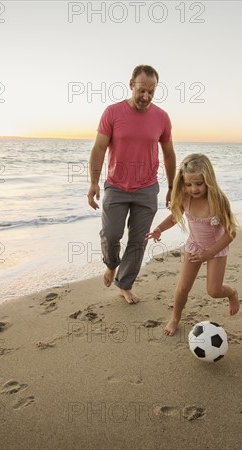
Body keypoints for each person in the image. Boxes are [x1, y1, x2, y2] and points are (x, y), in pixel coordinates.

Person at [87, 65, 176, 304]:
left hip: (147, 188)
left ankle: (125, 284)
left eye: (151, 91)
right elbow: (98, 148)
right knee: (111, 234)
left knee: (138, 240)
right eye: (141, 91)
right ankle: (111, 264)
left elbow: (168, 154)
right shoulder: (112, 112)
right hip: (116, 186)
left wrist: (172, 187)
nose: (146, 96)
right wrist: (94, 182)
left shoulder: (162, 117)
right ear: (131, 85)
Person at [145, 153, 240, 336]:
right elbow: (175, 217)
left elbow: (231, 232)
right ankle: (175, 318)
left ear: (208, 180)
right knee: (182, 288)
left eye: (199, 184)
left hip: (216, 249)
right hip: (195, 247)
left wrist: (210, 253)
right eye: (188, 184)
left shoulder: (218, 201)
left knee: (213, 290)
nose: (193, 189)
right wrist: (159, 229)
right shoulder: (185, 198)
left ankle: (232, 293)